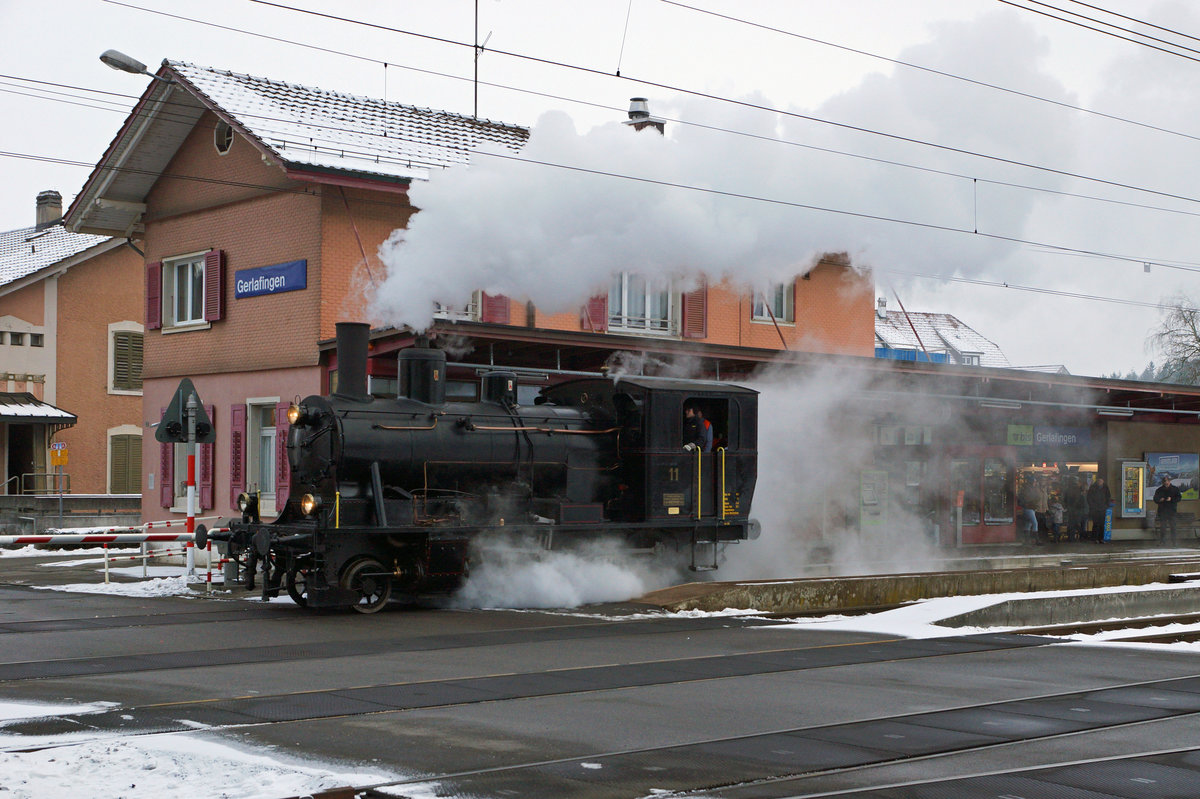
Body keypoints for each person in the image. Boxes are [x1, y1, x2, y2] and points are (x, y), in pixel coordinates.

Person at [1153, 475, 1183, 545]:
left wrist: (1171, 499)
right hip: (1162, 511)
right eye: (1164, 481)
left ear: (1169, 481)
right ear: (1163, 482)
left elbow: (1179, 498)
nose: (1166, 483)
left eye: (1167, 481)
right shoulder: (1159, 490)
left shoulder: (1175, 489)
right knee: (1163, 527)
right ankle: (1162, 541)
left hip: (1172, 511)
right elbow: (1155, 499)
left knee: (1173, 527)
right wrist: (1160, 500)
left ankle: (1174, 542)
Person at [1063, 477, 1087, 542]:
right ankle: (1082, 536)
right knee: (1077, 523)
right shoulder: (1080, 490)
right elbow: (1083, 500)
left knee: (1071, 524)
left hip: (1071, 508)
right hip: (1078, 509)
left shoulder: (1067, 489)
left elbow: (1065, 499)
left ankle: (1071, 537)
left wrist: (1066, 506)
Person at [1087, 476, 1111, 542]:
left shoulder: (1105, 488)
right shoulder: (1093, 488)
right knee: (1095, 524)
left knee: (1102, 524)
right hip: (1096, 509)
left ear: (1103, 481)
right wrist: (1093, 506)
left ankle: (1101, 538)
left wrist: (1106, 505)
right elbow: (1089, 498)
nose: (1100, 482)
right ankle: (1095, 538)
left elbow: (1108, 497)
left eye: (1101, 481)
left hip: (1102, 508)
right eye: (1099, 481)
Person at [1017, 477, 1040, 545]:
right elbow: (1030, 498)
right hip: (1028, 508)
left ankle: (1027, 540)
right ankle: (1036, 540)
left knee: (1028, 524)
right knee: (1035, 523)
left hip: (1028, 507)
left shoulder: (1027, 489)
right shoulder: (1028, 489)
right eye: (1034, 482)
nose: (1035, 483)